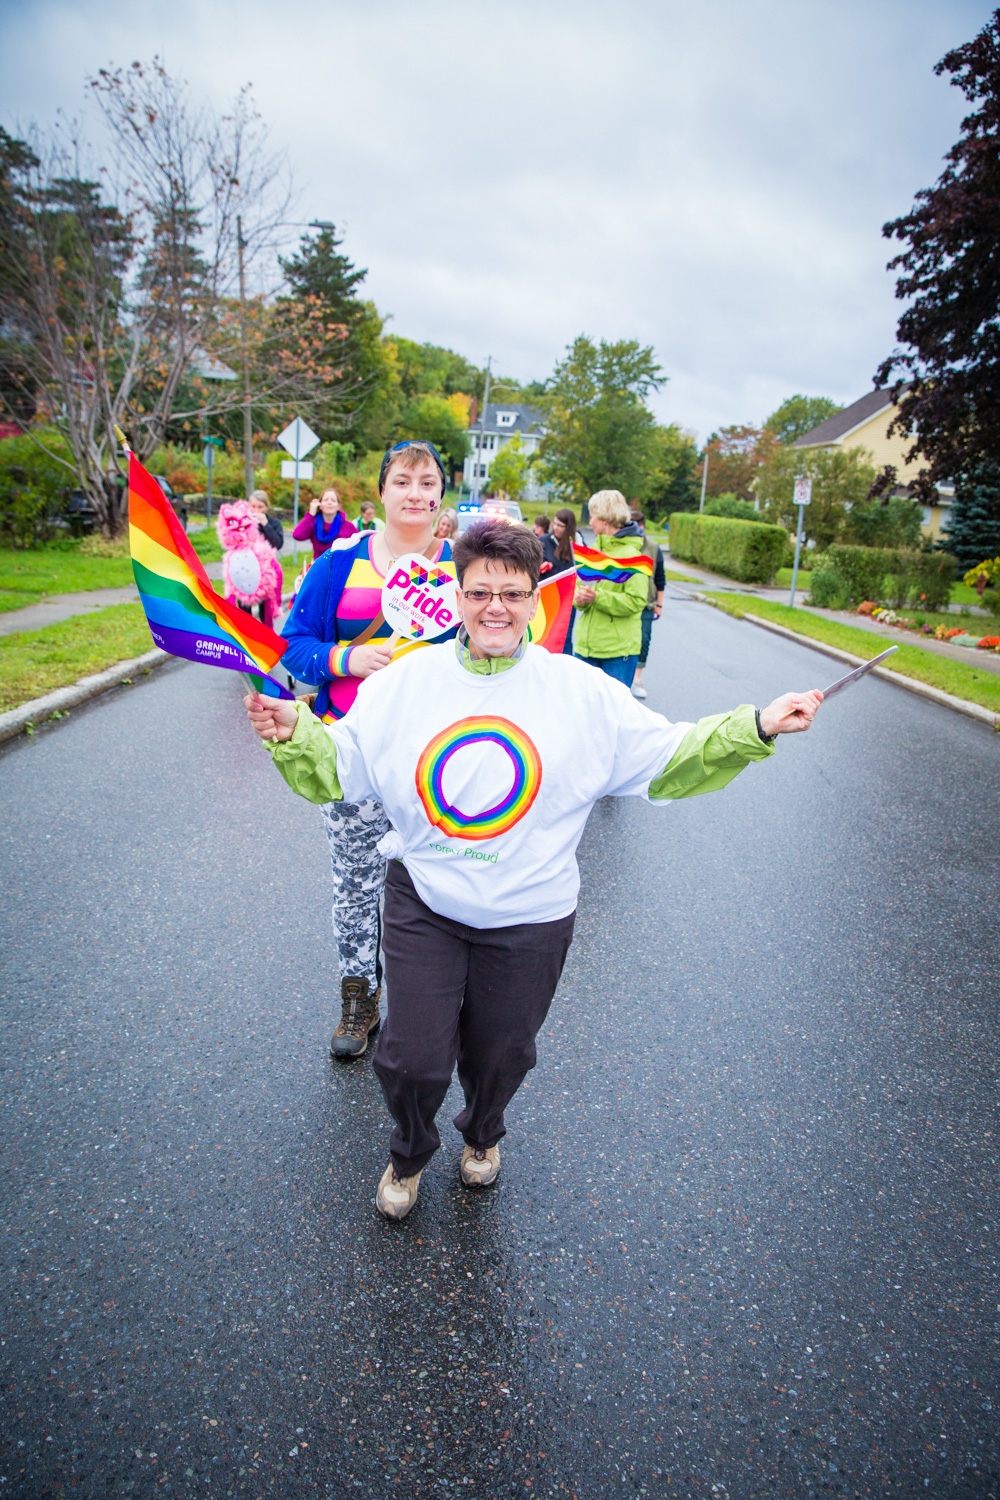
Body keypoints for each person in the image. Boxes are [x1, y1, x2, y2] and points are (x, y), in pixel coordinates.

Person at [246, 519, 823, 1221]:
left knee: (500, 1056)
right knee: (409, 1059)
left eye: (513, 594)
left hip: (531, 915)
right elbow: (342, 763)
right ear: (455, 595)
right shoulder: (406, 682)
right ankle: (408, 1153)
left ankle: (483, 1135)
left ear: (534, 598)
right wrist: (294, 730)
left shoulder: (580, 693)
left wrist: (757, 725)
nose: (496, 607)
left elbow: (670, 757)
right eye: (481, 591)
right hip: (426, 900)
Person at [279, 440, 457, 1061]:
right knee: (355, 882)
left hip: (436, 760)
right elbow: (292, 644)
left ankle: (425, 1004)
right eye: (402, 480)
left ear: (441, 495)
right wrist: (346, 658)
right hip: (352, 751)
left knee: (431, 883)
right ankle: (360, 998)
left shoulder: (464, 568)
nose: (415, 493)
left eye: (427, 482)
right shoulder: (338, 563)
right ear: (381, 491)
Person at [573, 490, 647, 687]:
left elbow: (637, 601)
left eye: (592, 516)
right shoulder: (592, 553)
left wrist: (596, 597)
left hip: (617, 653)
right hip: (585, 649)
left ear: (605, 519)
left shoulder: (632, 556)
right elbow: (578, 588)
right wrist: (579, 599)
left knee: (613, 716)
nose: (590, 522)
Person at [629, 506, 665, 700]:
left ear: (642, 527)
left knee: (644, 640)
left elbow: (660, 578)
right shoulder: (628, 548)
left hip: (647, 604)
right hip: (630, 601)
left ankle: (637, 678)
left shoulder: (653, 548)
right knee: (629, 641)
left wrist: (659, 604)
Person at [543, 507, 578, 654]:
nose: (555, 528)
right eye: (554, 523)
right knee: (547, 634)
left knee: (565, 635)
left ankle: (565, 669)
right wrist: (542, 567)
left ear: (568, 528)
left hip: (568, 597)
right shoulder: (544, 540)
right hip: (549, 595)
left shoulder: (576, 543)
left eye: (560, 525)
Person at [293, 488, 357, 558]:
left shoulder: (347, 526)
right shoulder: (314, 524)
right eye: (326, 500)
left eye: (333, 500)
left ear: (338, 506)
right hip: (319, 567)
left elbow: (361, 545)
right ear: (320, 505)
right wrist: (311, 514)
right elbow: (297, 535)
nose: (329, 502)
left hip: (341, 567)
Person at [248, 489, 284, 553]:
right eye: (253, 507)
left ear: (266, 507)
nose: (256, 511)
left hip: (266, 558)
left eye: (260, 507)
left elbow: (278, 545)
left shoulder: (274, 523)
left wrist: (266, 525)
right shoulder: (245, 522)